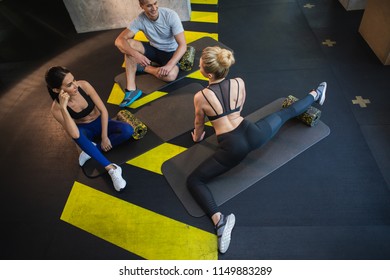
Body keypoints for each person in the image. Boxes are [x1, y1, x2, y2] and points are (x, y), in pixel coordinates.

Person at [187, 46, 327, 254]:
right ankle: (316, 94)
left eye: (200, 63)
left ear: (207, 73)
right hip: (254, 133)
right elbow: (239, 109)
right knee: (286, 113)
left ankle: (219, 221)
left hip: (232, 147)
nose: (198, 64)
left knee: (194, 181)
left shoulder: (201, 96)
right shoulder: (239, 82)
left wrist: (197, 138)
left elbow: (199, 124)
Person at [45, 66, 134, 192]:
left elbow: (103, 110)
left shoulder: (84, 86)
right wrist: (64, 108)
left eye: (74, 80)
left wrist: (104, 137)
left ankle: (91, 149)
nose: (75, 85)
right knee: (78, 136)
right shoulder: (56, 108)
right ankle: (111, 169)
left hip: (101, 123)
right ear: (56, 90)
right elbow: (75, 134)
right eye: (69, 84)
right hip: (85, 131)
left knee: (128, 131)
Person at [114, 0, 187, 107]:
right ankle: (131, 89)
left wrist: (169, 65)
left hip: (170, 52)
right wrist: (136, 55)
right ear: (141, 6)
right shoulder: (140, 19)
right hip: (154, 49)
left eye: (155, 3)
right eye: (149, 5)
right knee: (128, 44)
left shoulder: (170, 15)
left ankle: (144, 68)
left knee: (171, 76)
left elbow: (183, 45)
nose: (154, 8)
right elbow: (119, 41)